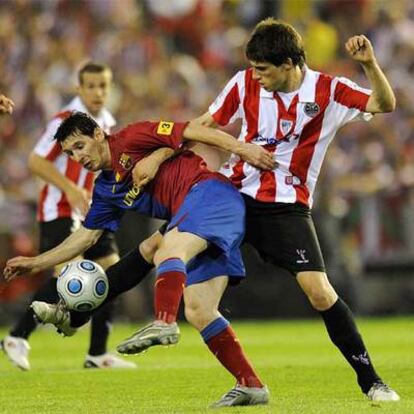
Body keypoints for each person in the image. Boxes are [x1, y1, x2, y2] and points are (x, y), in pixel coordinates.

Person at [74, 19, 399, 403]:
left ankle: (372, 381)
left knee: (318, 292)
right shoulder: (243, 84)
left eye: (263, 69)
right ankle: (248, 383)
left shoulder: (329, 89)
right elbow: (198, 126)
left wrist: (369, 65)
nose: (256, 76)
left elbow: (384, 104)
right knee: (185, 289)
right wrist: (161, 153)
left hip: (285, 207)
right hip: (231, 194)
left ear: (290, 63)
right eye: (253, 68)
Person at [4, 111, 275, 407]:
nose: (77, 157)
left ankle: (163, 321)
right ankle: (251, 384)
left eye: (79, 146)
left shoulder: (131, 137)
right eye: (69, 153)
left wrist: (241, 148)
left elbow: (191, 131)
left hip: (209, 194)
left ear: (98, 134)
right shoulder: (106, 189)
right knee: (198, 309)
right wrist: (35, 263)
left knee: (165, 250)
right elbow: (86, 237)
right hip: (188, 214)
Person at [0, 62, 135, 370]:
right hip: (59, 209)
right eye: (91, 86)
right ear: (79, 89)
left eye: (103, 85)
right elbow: (36, 161)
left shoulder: (106, 122)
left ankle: (97, 353)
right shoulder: (65, 120)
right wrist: (72, 189)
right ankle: (17, 336)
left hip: (93, 210)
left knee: (111, 274)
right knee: (63, 277)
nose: (98, 92)